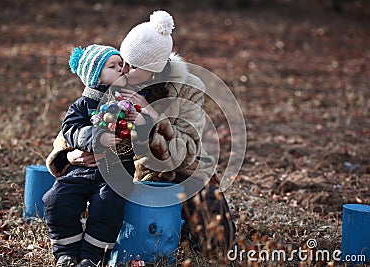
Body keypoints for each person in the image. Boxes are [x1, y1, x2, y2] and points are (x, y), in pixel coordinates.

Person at [46, 10, 236, 262]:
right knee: (81, 197)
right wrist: (71, 154)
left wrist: (153, 123)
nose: (124, 70)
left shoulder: (187, 89)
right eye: (123, 61)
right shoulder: (115, 78)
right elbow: (73, 125)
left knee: (215, 235)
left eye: (132, 66)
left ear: (153, 71)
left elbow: (187, 150)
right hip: (123, 173)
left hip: (177, 174)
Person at [43, 44, 146, 267]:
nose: (122, 69)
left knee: (108, 204)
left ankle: (92, 256)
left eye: (122, 64)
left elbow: (144, 132)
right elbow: (70, 129)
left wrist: (137, 118)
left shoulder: (128, 100)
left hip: (115, 172)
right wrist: (96, 137)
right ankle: (66, 253)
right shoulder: (82, 105)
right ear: (96, 75)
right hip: (82, 170)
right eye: (113, 66)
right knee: (55, 199)